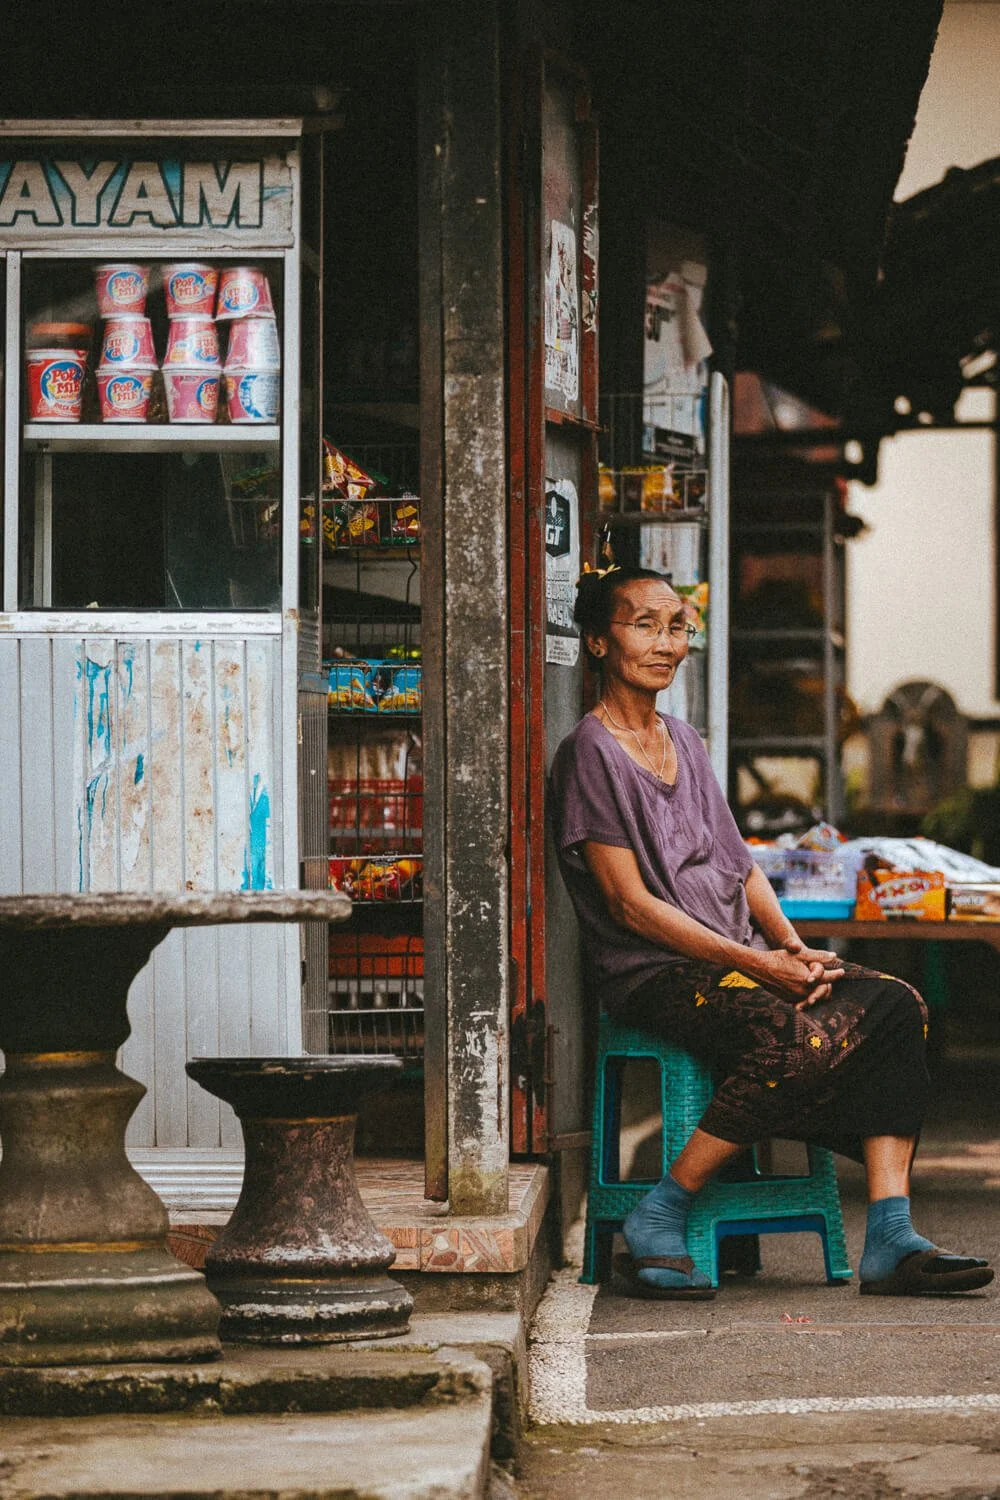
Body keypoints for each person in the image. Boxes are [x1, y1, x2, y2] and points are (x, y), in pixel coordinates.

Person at [548, 562, 994, 1301]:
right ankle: (661, 1213)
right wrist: (756, 967)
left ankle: (889, 1233)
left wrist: (787, 947)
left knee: (896, 1007)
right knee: (798, 1040)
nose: (665, 642)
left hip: (732, 961)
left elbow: (740, 866)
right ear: (598, 641)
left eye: (677, 626)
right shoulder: (589, 754)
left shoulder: (684, 741)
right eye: (642, 625)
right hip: (655, 972)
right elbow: (629, 906)